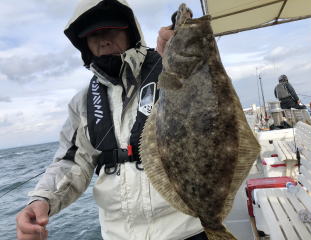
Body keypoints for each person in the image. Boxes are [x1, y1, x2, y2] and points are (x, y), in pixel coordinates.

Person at [16, 0, 208, 239]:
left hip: (187, 229)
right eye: (93, 35)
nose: (103, 39)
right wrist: (42, 199)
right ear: (84, 44)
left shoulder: (172, 72)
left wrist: (190, 60)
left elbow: (210, 113)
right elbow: (72, 162)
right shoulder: (83, 102)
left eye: (110, 30)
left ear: (131, 31)